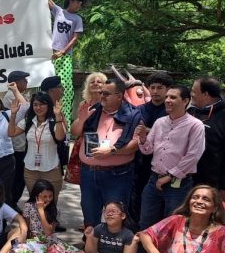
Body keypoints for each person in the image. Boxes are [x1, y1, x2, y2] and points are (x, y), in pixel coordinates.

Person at [73, 78, 141, 229]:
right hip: (89, 173)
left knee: (115, 215)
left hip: (117, 175)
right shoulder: (93, 109)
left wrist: (112, 151)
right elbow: (75, 132)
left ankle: (112, 243)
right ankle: (91, 241)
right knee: (89, 214)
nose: (101, 96)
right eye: (101, 92)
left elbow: (136, 144)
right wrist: (82, 120)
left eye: (106, 94)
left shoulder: (133, 114)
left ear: (119, 96)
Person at [136, 85, 205, 229]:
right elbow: (148, 150)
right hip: (154, 179)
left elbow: (193, 155)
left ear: (185, 101)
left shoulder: (195, 125)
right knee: (146, 223)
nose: (167, 100)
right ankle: (145, 245)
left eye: (173, 97)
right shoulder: (160, 122)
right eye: (167, 97)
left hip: (179, 183)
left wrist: (170, 176)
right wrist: (142, 138)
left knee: (172, 226)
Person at [3, 179, 85, 253]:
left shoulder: (53, 209)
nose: (48, 199)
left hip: (49, 243)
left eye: (50, 196)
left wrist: (41, 211)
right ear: (37, 196)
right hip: (33, 241)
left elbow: (48, 232)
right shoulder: (29, 206)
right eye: (44, 196)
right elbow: (26, 228)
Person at [189, 76, 225, 202]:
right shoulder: (190, 112)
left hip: (210, 183)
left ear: (205, 94)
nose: (191, 94)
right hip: (185, 179)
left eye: (194, 91)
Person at [130, 72, 173, 223]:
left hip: (164, 166)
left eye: (160, 88)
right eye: (152, 87)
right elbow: (134, 132)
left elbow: (171, 135)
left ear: (168, 89)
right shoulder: (139, 109)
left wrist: (148, 131)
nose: (155, 91)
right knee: (137, 200)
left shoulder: (173, 111)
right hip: (140, 162)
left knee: (162, 206)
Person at [8, 92, 66, 201]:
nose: (38, 108)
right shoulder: (28, 121)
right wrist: (13, 114)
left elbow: (60, 137)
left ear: (48, 105)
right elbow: (11, 133)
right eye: (35, 104)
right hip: (30, 169)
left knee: (50, 202)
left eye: (42, 104)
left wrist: (58, 116)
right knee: (35, 201)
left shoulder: (54, 122)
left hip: (51, 168)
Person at [49, 0, 86, 125]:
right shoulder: (59, 12)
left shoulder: (77, 19)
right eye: (78, 1)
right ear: (71, 0)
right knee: (48, 85)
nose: (80, 4)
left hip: (64, 56)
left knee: (65, 87)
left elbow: (75, 38)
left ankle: (65, 123)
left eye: (81, 2)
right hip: (51, 54)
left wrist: (63, 51)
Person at [3, 71, 32, 206]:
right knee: (17, 178)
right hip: (16, 144)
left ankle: (12, 203)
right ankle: (11, 203)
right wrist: (15, 91)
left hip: (20, 142)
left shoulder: (17, 95)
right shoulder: (11, 96)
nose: (27, 82)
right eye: (24, 80)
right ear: (16, 82)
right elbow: (27, 108)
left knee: (19, 177)